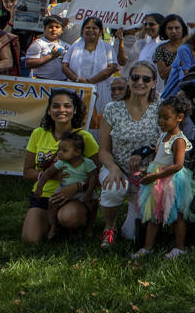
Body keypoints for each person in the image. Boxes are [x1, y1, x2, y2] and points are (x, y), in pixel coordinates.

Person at [96, 61, 161, 247]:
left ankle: (130, 220)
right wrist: (113, 168)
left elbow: (168, 143)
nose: (140, 82)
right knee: (114, 187)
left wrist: (151, 171)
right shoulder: (112, 109)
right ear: (129, 80)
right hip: (118, 168)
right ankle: (109, 228)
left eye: (146, 79)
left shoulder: (161, 107)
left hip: (147, 175)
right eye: (135, 77)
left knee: (133, 236)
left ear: (154, 83)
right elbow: (104, 149)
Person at [22, 90, 100, 243]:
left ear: (74, 110)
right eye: (56, 106)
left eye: (67, 106)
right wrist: (47, 175)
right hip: (45, 195)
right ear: (49, 110)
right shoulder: (38, 134)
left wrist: (77, 187)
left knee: (70, 218)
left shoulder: (85, 138)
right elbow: (27, 172)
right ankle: (53, 224)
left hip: (73, 196)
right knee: (31, 239)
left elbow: (98, 173)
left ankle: (69, 225)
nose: (61, 110)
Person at [132, 96, 195, 259]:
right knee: (153, 213)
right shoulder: (163, 136)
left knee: (177, 214)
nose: (161, 121)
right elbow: (158, 158)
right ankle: (147, 247)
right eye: (159, 117)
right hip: (156, 179)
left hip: (172, 181)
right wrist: (148, 170)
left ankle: (180, 246)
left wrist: (157, 174)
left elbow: (178, 165)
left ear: (179, 118)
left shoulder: (179, 140)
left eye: (166, 118)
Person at [32, 132, 98, 240]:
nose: (59, 153)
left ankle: (89, 227)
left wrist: (89, 193)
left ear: (77, 152)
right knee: (52, 203)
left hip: (82, 191)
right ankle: (54, 226)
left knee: (93, 204)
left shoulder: (87, 163)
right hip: (63, 188)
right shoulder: (62, 163)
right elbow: (47, 174)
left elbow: (93, 178)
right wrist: (39, 188)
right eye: (59, 150)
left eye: (64, 150)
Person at [62, 17, 119, 116]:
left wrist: (91, 81)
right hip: (77, 87)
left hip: (100, 88)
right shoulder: (74, 47)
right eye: (87, 28)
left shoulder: (107, 47)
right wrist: (77, 79)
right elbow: (65, 65)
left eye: (94, 28)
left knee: (97, 118)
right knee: (75, 114)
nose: (91, 30)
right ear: (82, 30)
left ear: (100, 31)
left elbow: (112, 67)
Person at [24, 16, 69, 80]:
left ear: (62, 30)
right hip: (42, 82)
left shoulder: (67, 46)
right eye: (50, 27)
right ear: (44, 29)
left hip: (62, 82)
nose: (54, 29)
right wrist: (51, 56)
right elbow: (28, 64)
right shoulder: (38, 43)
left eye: (57, 27)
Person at [153, 15, 189, 83]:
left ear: (183, 29)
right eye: (170, 28)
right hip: (171, 88)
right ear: (165, 31)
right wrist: (178, 61)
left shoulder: (191, 46)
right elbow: (162, 75)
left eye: (177, 28)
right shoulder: (161, 49)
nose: (173, 31)